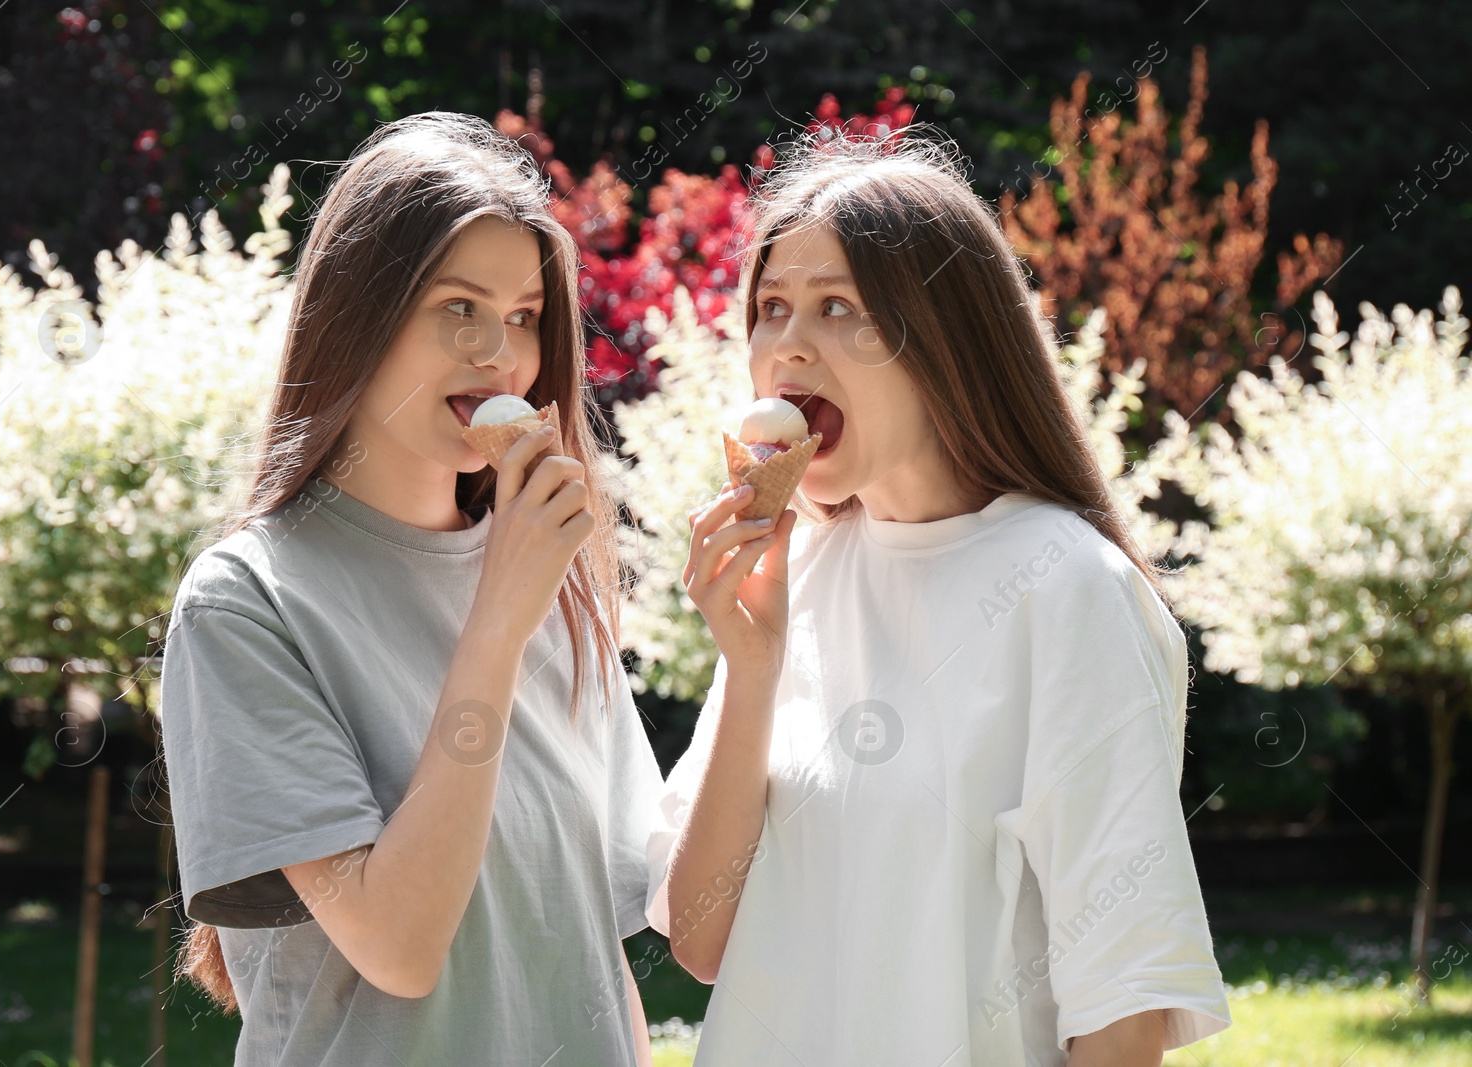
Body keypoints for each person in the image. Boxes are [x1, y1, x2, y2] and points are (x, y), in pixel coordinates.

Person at [648, 131, 1232, 1066]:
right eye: (770, 308)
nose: (788, 346)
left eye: (839, 307)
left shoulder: (1070, 587)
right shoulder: (796, 576)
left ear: (946, 342)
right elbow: (701, 939)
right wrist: (751, 668)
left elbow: (1122, 1008)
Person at [159, 113, 662, 1066]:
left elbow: (588, 949)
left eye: (522, 316)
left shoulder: (546, 573)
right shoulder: (246, 601)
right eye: (458, 306)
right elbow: (398, 941)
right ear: (360, 316)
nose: (500, 353)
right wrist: (499, 620)